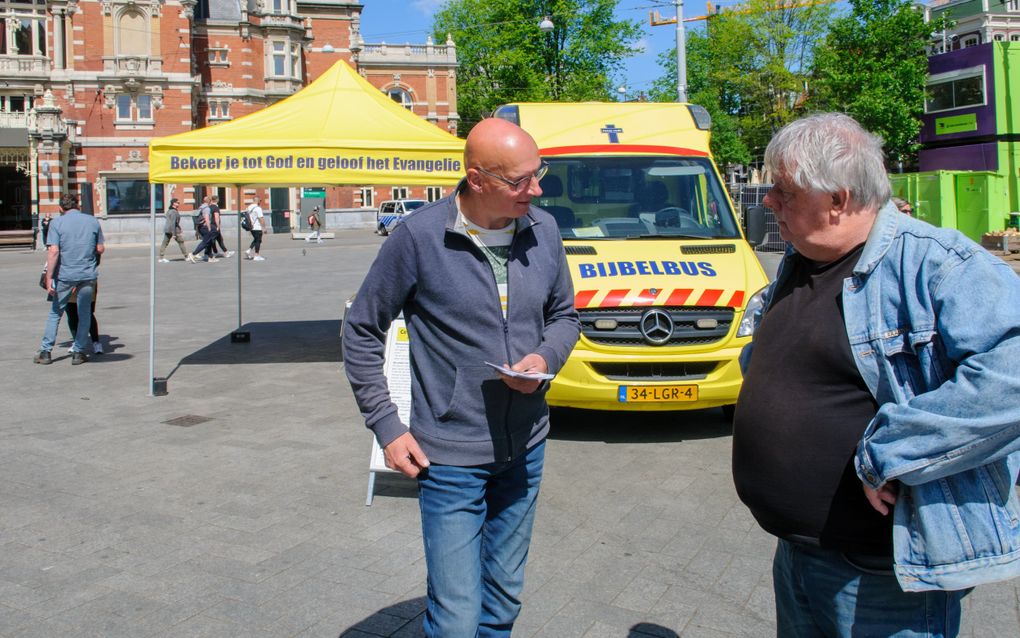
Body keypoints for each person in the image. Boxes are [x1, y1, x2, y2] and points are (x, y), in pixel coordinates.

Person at [732, 113, 1020, 637]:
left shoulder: (938, 264)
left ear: (839, 200)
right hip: (799, 552)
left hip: (880, 571)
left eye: (784, 191)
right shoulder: (802, 260)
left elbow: (1011, 379)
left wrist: (893, 450)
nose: (769, 201)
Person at [343, 118, 580, 637]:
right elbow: (361, 329)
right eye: (520, 181)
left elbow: (566, 316)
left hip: (526, 447)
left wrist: (543, 359)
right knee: (454, 617)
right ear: (477, 179)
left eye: (539, 174)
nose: (535, 190)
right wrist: (386, 425)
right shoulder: (418, 237)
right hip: (449, 456)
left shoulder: (544, 230)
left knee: (502, 604)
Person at [34, 193, 105, 365]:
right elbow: (100, 248)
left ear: (60, 208)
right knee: (85, 312)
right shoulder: (92, 221)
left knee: (55, 312)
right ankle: (79, 352)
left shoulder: (57, 223)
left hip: (65, 275)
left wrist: (49, 276)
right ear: (78, 205)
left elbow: (53, 251)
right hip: (87, 274)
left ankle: (46, 351)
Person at [187, 196, 218, 263]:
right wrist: (209, 228)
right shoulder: (207, 209)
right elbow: (206, 218)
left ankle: (210, 257)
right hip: (205, 227)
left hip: (200, 226)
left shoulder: (200, 207)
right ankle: (193, 254)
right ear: (209, 201)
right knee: (205, 242)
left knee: (209, 241)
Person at [159, 197, 190, 262]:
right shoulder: (173, 212)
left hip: (168, 229)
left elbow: (172, 222)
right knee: (181, 242)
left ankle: (161, 258)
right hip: (173, 230)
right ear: (174, 203)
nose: (179, 204)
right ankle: (186, 256)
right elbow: (173, 223)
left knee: (164, 243)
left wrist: (179, 227)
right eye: (178, 203)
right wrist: (174, 233)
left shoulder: (169, 211)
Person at [244, 196, 267, 261]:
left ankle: (248, 250)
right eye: (260, 201)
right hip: (257, 227)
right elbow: (261, 218)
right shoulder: (258, 208)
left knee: (256, 239)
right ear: (257, 201)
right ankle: (256, 255)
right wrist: (264, 228)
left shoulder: (248, 207)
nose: (260, 202)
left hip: (251, 227)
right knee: (258, 241)